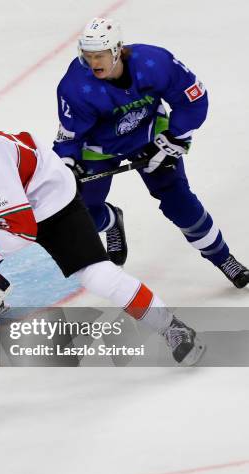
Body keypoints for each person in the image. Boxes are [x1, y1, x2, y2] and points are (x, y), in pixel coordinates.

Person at [0, 111, 205, 367]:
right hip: (0, 206)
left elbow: (21, 229)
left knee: (97, 276)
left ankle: (172, 326)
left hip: (50, 201)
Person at [52, 17, 249, 287]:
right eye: (86, 56)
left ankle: (224, 258)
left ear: (117, 50)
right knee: (82, 216)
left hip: (151, 137)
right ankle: (111, 221)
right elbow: (70, 134)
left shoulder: (154, 62)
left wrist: (176, 136)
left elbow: (193, 99)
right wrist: (67, 164)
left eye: (98, 55)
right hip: (100, 148)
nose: (92, 62)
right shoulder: (75, 85)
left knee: (180, 203)